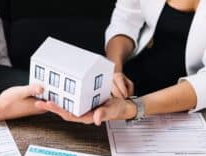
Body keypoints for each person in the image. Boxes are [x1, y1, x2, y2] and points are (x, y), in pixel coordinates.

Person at [36, 0, 205, 125]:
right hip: (133, 82)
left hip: (189, 103)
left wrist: (132, 108)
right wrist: (114, 71)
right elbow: (125, 21)